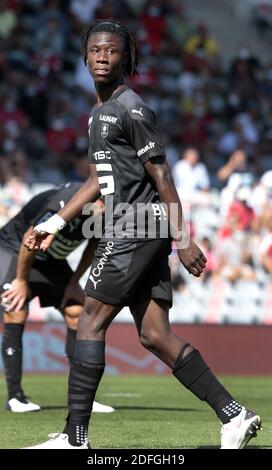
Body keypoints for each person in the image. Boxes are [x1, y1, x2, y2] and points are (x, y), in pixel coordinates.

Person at [23, 19, 261, 449]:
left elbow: (163, 175)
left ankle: (75, 439)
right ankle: (234, 415)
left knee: (90, 318)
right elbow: (96, 180)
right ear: (84, 55)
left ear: (125, 58)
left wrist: (183, 238)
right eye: (95, 50)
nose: (101, 56)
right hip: (132, 227)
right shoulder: (98, 114)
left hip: (137, 224)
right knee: (154, 335)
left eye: (111, 51)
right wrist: (55, 223)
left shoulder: (131, 108)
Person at [0, 182, 114, 414]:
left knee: (77, 312)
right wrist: (21, 281)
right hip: (15, 249)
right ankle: (15, 396)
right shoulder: (64, 202)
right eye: (101, 200)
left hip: (51, 260)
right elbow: (29, 238)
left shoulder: (105, 213)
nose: (103, 207)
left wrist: (73, 283)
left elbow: (93, 247)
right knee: (16, 308)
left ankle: (82, 397)